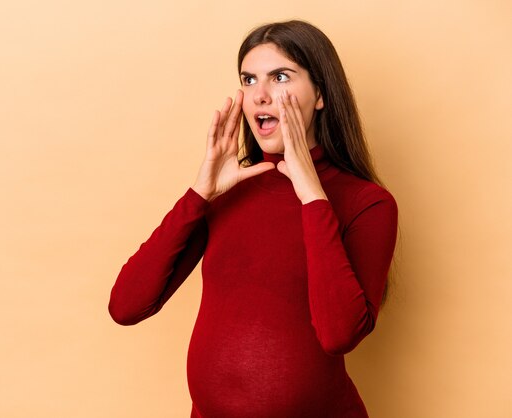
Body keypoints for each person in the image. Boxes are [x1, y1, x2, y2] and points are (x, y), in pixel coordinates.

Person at [109, 19, 399, 418]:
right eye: (248, 79)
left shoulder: (368, 203)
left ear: (320, 95)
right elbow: (126, 306)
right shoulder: (228, 192)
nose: (260, 95)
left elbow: (338, 335)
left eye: (280, 77)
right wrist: (199, 194)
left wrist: (312, 195)